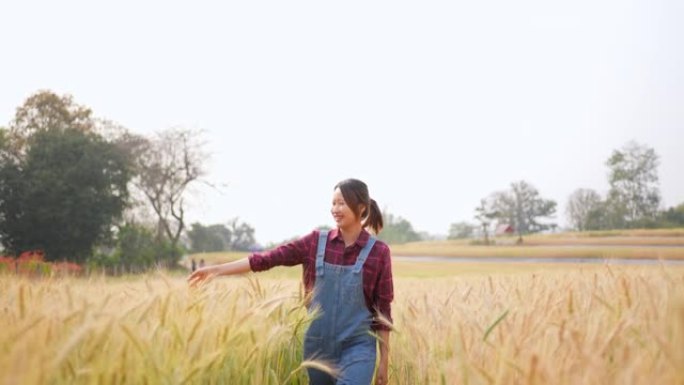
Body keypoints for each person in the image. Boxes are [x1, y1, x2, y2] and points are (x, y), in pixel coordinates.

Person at [188, 178, 393, 385]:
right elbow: (268, 258)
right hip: (317, 348)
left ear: (361, 207)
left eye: (342, 203)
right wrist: (216, 270)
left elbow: (383, 312)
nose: (335, 209)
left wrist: (384, 361)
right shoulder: (315, 242)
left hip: (357, 347)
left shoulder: (379, 253)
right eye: (333, 203)